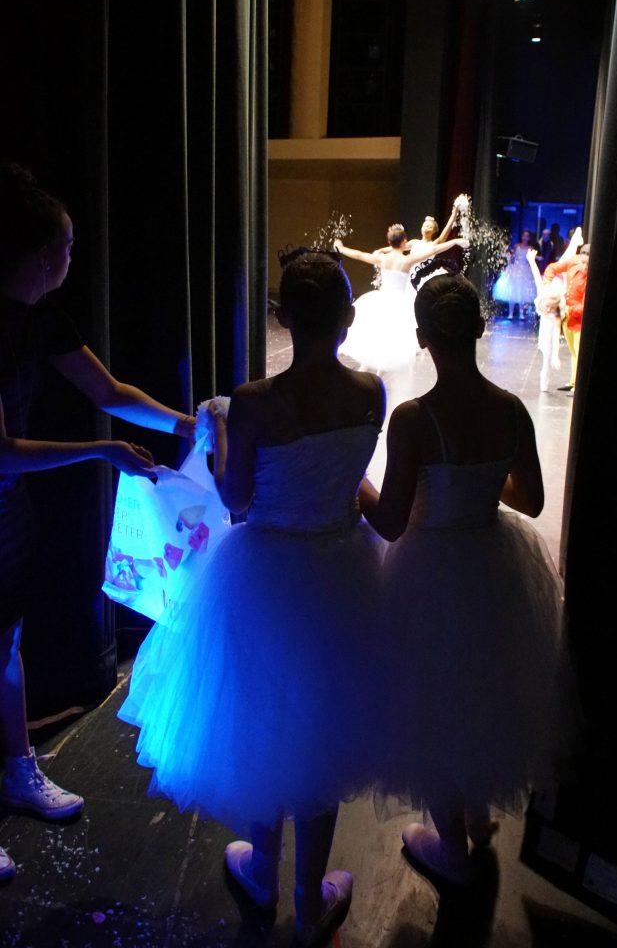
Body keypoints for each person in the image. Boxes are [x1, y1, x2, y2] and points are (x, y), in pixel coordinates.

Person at [118, 250, 387, 945]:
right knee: (323, 728)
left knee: (264, 718)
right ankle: (309, 897)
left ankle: (264, 875)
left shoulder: (255, 401)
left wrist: (222, 436)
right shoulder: (370, 392)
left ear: (282, 318)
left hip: (265, 570)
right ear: (347, 318)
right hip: (343, 570)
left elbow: (237, 502)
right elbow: (346, 476)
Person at [0, 162, 196, 883]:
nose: (71, 259)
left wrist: (191, 421)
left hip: (5, 507)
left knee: (6, 638)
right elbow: (2, 451)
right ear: (35, 254)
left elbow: (108, 389)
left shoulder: (44, 314)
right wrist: (104, 450)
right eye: (65, 247)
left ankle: (18, 770)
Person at [359, 274, 578, 884]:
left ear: (423, 336)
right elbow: (531, 501)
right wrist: (478, 483)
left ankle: (450, 849)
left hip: (430, 568)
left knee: (434, 699)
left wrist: (352, 480)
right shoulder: (510, 411)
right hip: (494, 564)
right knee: (486, 688)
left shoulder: (413, 418)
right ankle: (479, 816)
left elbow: (392, 520)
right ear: (480, 330)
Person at [334, 226, 465, 373]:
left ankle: (368, 366)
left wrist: (341, 247)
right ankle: (378, 368)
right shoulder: (406, 261)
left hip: (381, 300)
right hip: (398, 304)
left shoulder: (382, 259)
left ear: (390, 243)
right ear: (404, 242)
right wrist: (455, 241)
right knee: (391, 336)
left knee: (378, 331)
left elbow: (359, 255)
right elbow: (434, 250)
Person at [374, 198, 469, 291]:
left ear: (434, 230)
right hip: (411, 274)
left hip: (426, 275)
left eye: (429, 226)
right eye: (424, 226)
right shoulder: (414, 242)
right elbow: (397, 247)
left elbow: (446, 230)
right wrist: (381, 250)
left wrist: (454, 214)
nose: (426, 228)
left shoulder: (434, 244)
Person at [544, 226, 588, 393]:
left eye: (586, 263)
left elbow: (585, 305)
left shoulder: (591, 275)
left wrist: (571, 309)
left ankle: (578, 383)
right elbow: (552, 268)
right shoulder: (573, 261)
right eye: (582, 261)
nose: (583, 266)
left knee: (578, 350)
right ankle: (573, 381)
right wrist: (548, 284)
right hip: (567, 315)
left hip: (578, 317)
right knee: (572, 350)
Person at [526, 247, 566, 392]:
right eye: (548, 307)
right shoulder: (543, 292)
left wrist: (556, 355)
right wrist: (531, 260)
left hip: (559, 284)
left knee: (547, 356)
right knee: (544, 349)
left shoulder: (556, 313)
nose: (549, 310)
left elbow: (556, 336)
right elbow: (537, 276)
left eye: (552, 308)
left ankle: (544, 384)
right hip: (551, 283)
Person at [492, 228, 538, 320]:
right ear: (521, 236)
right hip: (515, 269)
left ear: (529, 238)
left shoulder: (530, 248)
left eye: (527, 236)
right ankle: (510, 313)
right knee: (512, 291)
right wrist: (508, 258)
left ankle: (521, 313)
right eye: (523, 235)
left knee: (522, 292)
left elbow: (531, 259)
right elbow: (512, 257)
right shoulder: (517, 245)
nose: (525, 237)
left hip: (525, 269)